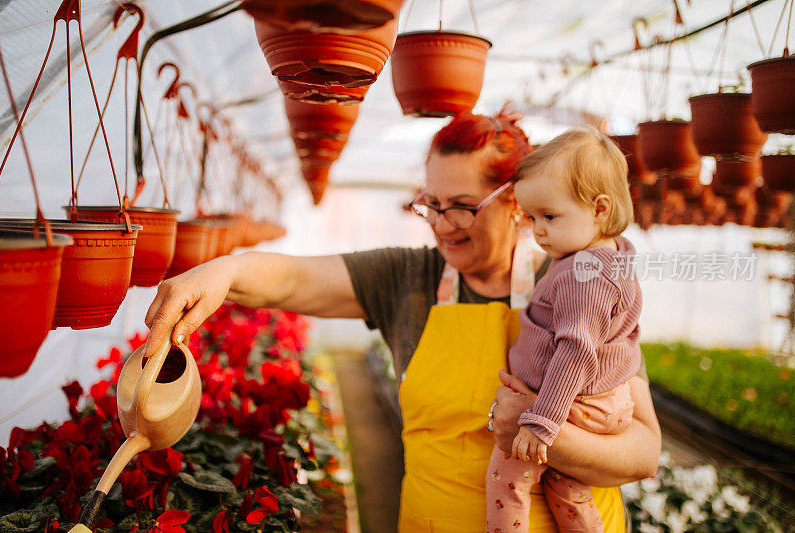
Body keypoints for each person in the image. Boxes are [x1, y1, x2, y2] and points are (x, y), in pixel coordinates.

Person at [143, 110, 661, 533]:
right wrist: (217, 273)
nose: (441, 226)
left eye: (461, 207)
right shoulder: (409, 278)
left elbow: (643, 452)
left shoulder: (576, 280)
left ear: (514, 205)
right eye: (430, 204)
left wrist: (534, 431)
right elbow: (295, 279)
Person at [486, 128, 641, 533]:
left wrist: (542, 421)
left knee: (508, 478)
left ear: (599, 209)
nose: (537, 230)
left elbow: (576, 350)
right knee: (565, 483)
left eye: (549, 216)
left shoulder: (583, 275)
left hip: (572, 405)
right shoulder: (609, 256)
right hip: (598, 401)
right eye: (531, 217)